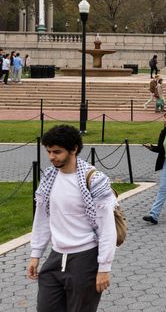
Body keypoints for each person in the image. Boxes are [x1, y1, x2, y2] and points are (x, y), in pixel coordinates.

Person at [28, 125, 117, 310]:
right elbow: (42, 219)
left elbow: (107, 227)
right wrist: (36, 254)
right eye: (49, 151)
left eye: (57, 152)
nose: (52, 157)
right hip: (55, 257)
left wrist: (104, 268)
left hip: (85, 258)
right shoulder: (49, 178)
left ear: (74, 149)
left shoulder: (94, 180)